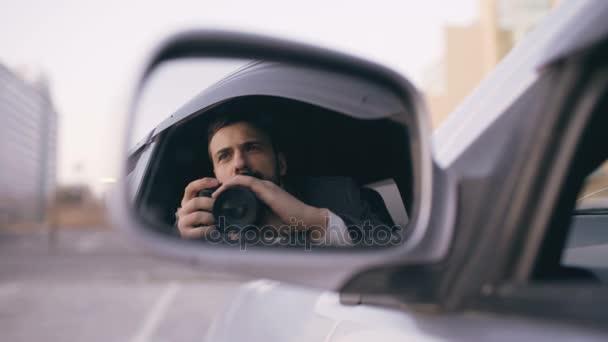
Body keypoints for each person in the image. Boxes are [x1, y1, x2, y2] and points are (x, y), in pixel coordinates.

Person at [175, 110, 397, 247]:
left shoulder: (340, 194)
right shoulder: (203, 224)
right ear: (214, 176)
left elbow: (394, 254)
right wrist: (188, 249)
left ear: (281, 163)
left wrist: (316, 222)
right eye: (225, 156)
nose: (239, 163)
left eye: (252, 148)